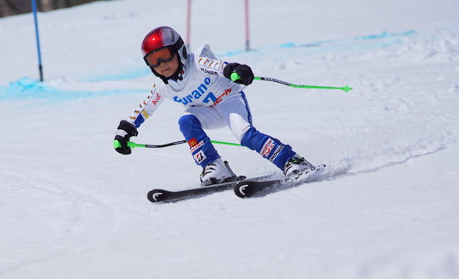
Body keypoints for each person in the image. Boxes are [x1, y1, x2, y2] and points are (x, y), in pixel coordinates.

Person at [113, 26, 315, 185]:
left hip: (228, 100)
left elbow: (217, 66)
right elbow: (144, 109)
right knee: (186, 120)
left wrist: (234, 70)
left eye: (165, 55)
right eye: (154, 61)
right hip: (205, 112)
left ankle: (293, 161)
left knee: (245, 135)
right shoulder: (162, 86)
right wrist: (125, 131)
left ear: (179, 51)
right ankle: (214, 166)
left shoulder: (198, 62)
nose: (162, 64)